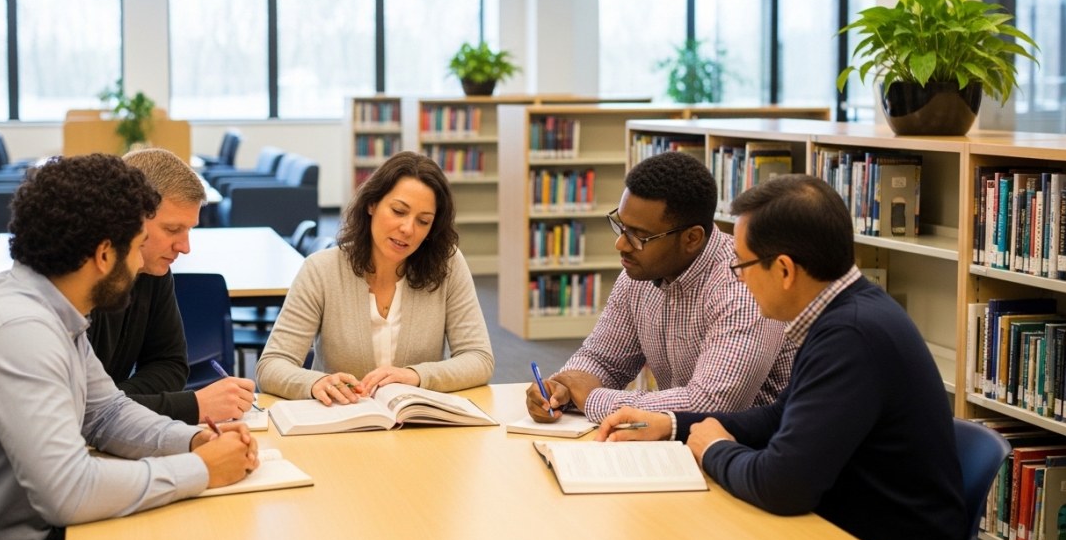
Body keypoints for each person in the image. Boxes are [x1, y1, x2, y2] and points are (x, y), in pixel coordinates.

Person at [0, 154, 259, 540]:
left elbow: (106, 413)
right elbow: (69, 493)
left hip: (13, 535)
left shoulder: (55, 309)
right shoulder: (21, 331)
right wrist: (200, 469)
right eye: (135, 247)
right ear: (103, 255)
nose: (139, 264)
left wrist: (188, 441)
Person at [596, 174, 965, 540]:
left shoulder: (851, 337)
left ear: (785, 270)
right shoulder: (845, 313)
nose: (738, 277)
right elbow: (778, 416)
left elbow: (783, 486)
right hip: (845, 527)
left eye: (742, 264)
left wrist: (716, 449)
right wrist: (671, 424)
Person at [526, 151, 790, 423]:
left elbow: (711, 403)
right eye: (621, 226)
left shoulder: (741, 287)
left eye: (639, 236)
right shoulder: (639, 274)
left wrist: (593, 399)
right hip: (677, 445)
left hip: (748, 452)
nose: (622, 245)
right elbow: (602, 358)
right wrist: (562, 390)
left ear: (692, 238)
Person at [257, 151, 494, 403]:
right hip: (341, 425)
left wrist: (416, 375)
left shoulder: (447, 265)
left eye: (423, 221)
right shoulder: (322, 269)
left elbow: (479, 358)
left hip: (418, 426)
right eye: (398, 211)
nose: (408, 229)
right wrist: (315, 382)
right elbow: (271, 365)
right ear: (372, 204)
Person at [88, 148, 256, 424]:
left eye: (189, 230)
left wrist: (113, 402)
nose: (185, 247)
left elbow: (170, 366)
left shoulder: (155, 271)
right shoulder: (77, 286)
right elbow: (79, 410)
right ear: (129, 219)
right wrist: (191, 406)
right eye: (172, 229)